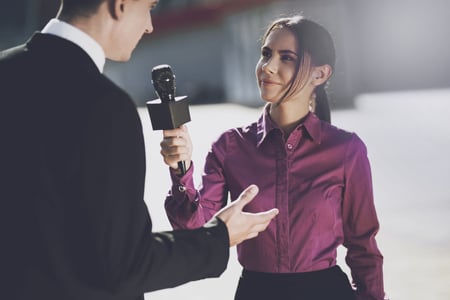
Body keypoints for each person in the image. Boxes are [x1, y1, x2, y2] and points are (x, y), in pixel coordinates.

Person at [0, 0, 280, 299]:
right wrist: (218, 237)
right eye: (149, 7)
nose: (149, 25)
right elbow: (125, 265)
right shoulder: (104, 105)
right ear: (120, 5)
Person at [160, 15, 386, 300]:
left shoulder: (346, 150)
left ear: (320, 74)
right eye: (266, 54)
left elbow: (364, 247)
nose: (268, 67)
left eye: (287, 58)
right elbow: (193, 230)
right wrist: (181, 170)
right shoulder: (231, 146)